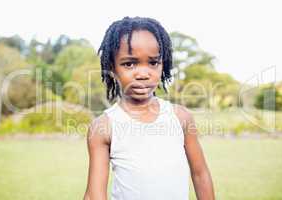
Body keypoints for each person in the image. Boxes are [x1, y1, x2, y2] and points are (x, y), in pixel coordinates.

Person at [83, 16, 215, 200]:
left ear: (164, 64)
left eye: (153, 63)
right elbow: (94, 195)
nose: (143, 74)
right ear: (112, 67)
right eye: (129, 64)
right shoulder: (104, 127)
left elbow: (201, 175)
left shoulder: (180, 117)